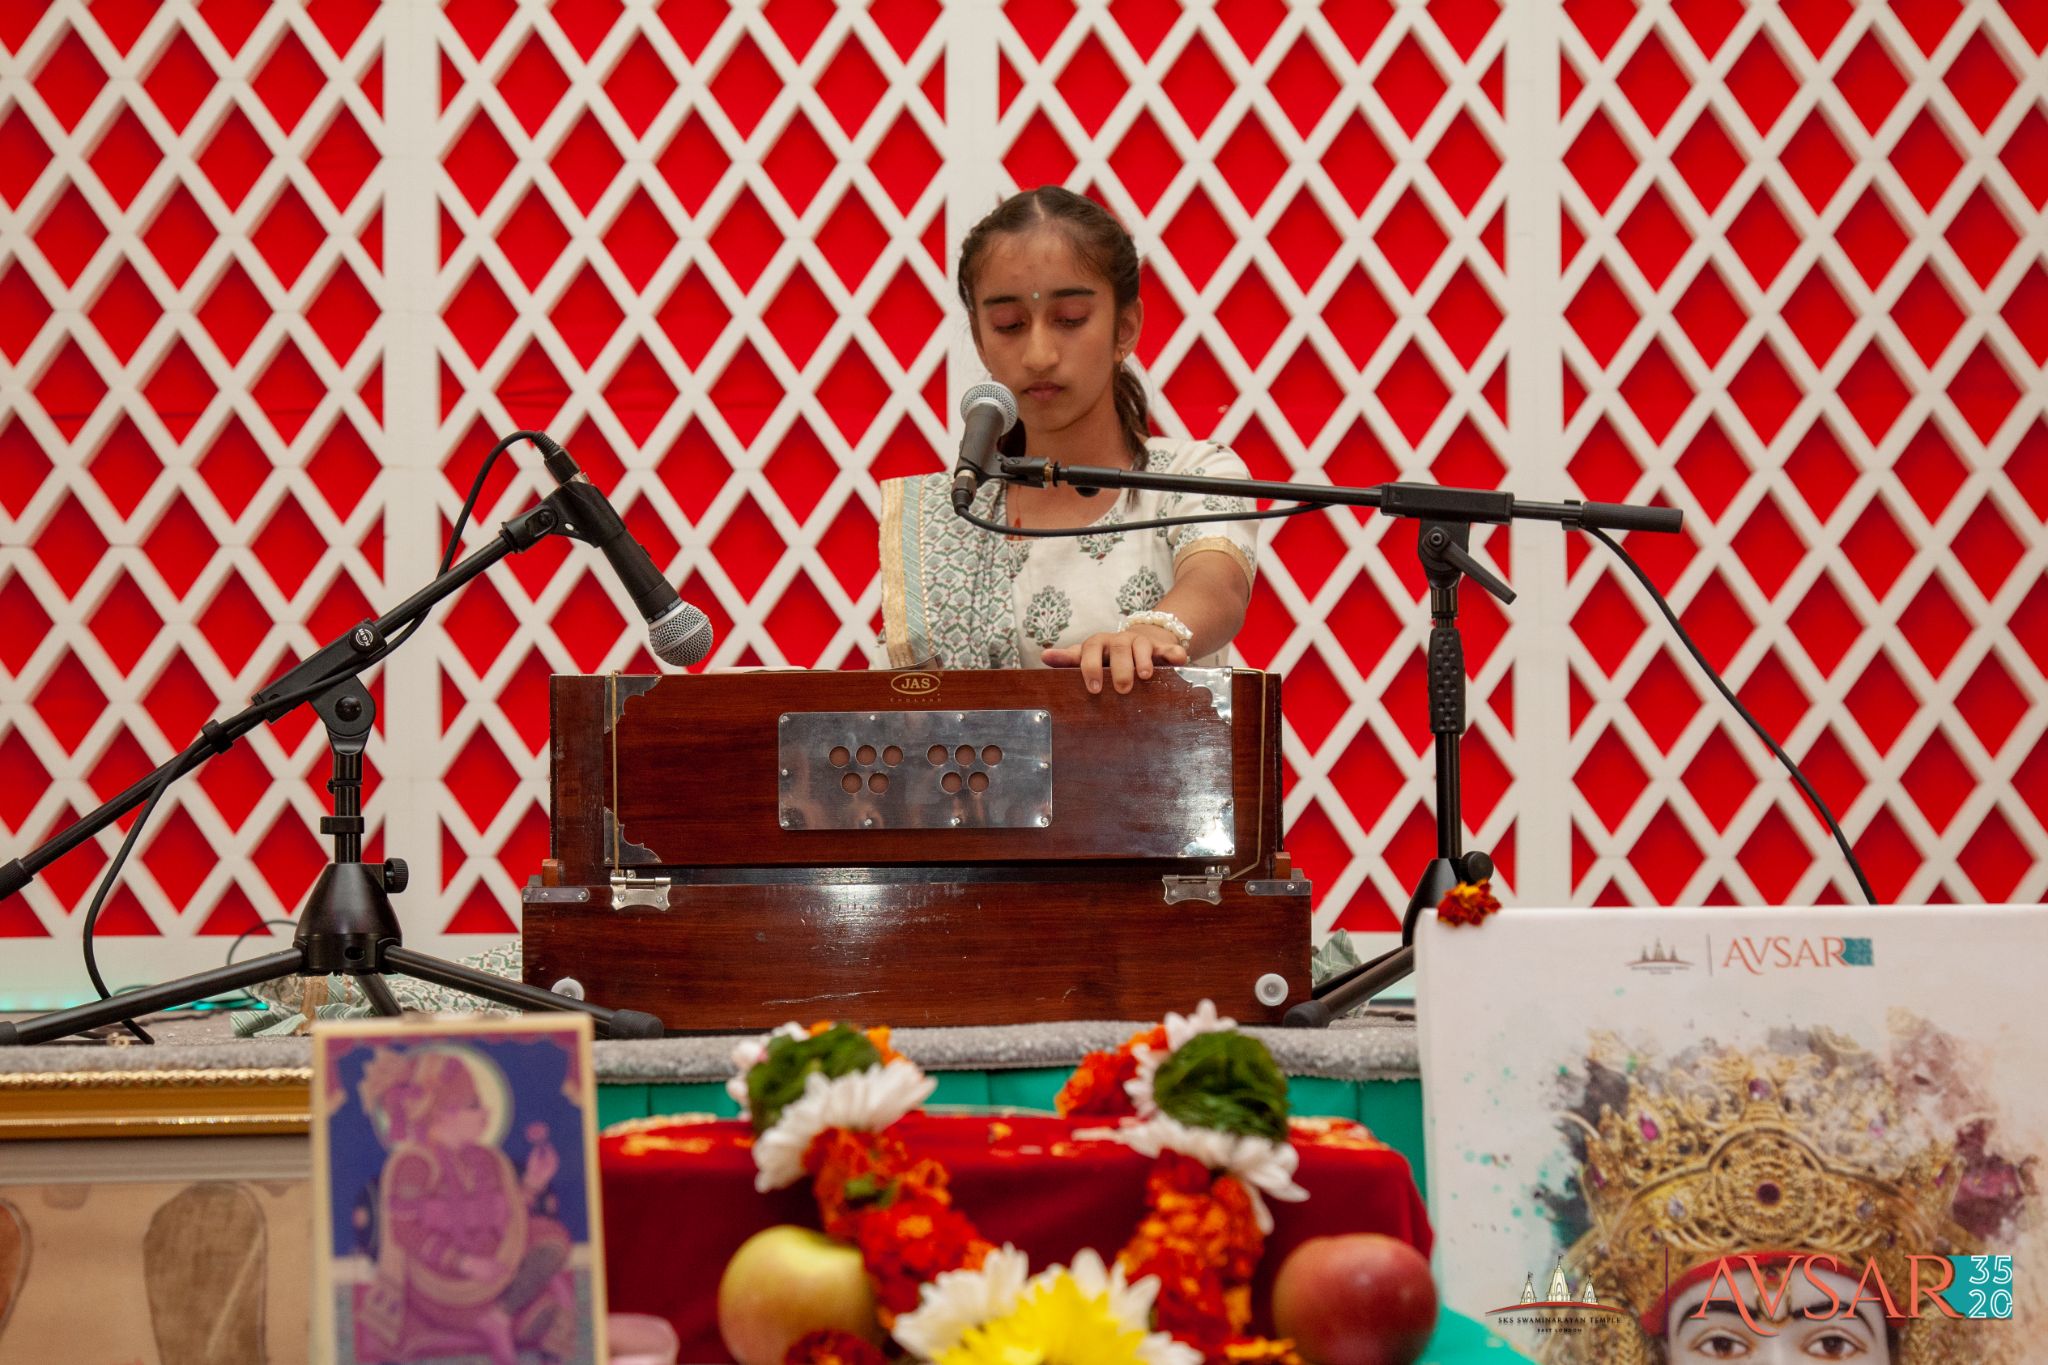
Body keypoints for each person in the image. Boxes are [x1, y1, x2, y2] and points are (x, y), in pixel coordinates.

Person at [878, 186, 1260, 692]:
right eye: (1009, 325)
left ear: (1125, 328)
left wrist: (1152, 631)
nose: (1039, 354)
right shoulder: (954, 515)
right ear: (980, 340)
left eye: (1069, 320)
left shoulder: (1193, 476)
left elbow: (1219, 589)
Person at [354, 1045, 577, 1365]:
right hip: (441, 1287)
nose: (485, 1113)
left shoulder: (486, 1159)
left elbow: (508, 1218)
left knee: (553, 1238)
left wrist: (532, 1185)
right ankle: (503, 1318)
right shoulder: (416, 1164)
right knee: (545, 1315)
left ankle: (499, 1317)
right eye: (474, 1105)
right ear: (442, 1112)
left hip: (497, 1275)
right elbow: (404, 1231)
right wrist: (465, 1264)